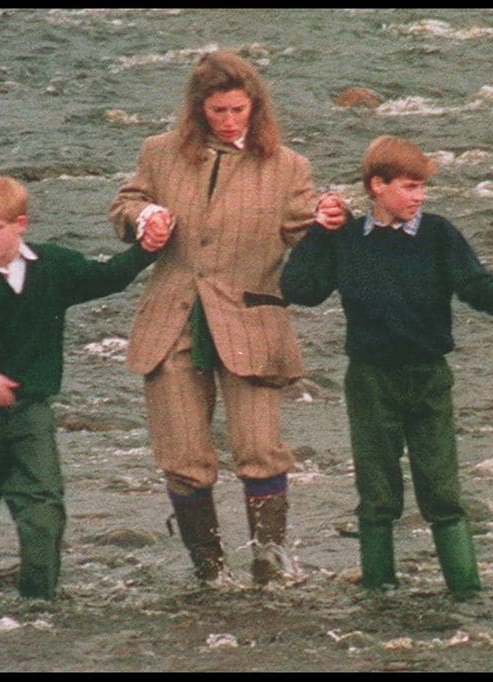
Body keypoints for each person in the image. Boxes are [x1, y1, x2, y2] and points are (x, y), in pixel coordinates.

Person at [109, 50, 346, 585]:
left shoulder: (288, 167)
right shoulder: (160, 153)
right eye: (218, 110)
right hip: (172, 321)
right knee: (184, 457)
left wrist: (330, 218)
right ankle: (210, 572)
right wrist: (142, 217)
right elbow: (126, 204)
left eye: (239, 109)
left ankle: (269, 561)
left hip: (252, 322)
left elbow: (306, 228)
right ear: (198, 110)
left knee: (260, 450)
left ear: (256, 108)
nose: (230, 119)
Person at [280, 136, 493, 598]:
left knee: (443, 494)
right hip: (370, 381)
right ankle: (379, 594)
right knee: (377, 496)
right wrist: (318, 230)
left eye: (422, 188)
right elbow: (300, 288)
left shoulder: (438, 234)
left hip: (429, 376)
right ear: (378, 185)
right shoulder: (347, 240)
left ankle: (467, 594)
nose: (420, 197)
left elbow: (470, 278)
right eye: (410, 187)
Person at [0, 175, 159, 600]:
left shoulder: (53, 267)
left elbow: (108, 277)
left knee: (43, 510)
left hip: (31, 411)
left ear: (20, 224)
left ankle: (38, 604)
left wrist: (147, 249)